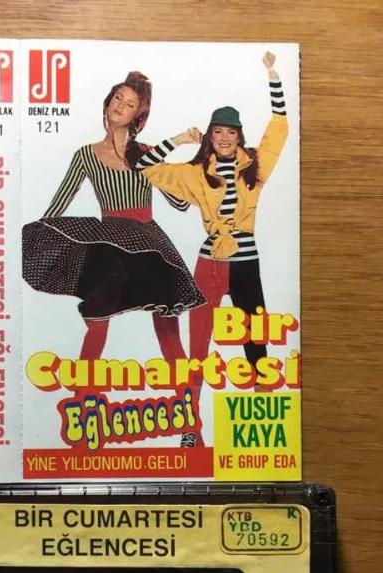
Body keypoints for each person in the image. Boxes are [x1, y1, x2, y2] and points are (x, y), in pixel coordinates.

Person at [135, 52, 288, 444]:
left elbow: (279, 127)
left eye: (230, 132)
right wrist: (178, 140)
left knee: (256, 338)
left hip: (246, 263)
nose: (224, 138)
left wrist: (273, 75)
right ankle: (190, 427)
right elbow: (143, 167)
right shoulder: (194, 173)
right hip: (210, 265)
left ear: (239, 137)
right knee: (199, 344)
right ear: (209, 136)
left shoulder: (255, 166)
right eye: (217, 132)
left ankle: (263, 422)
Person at [22, 71, 205, 369]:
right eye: (118, 98)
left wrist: (181, 174)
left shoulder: (148, 153)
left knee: (167, 323)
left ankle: (186, 394)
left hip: (149, 243)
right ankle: (83, 394)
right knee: (97, 320)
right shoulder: (85, 155)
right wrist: (34, 237)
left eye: (130, 104)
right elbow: (59, 203)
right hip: (108, 245)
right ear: (107, 103)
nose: (121, 105)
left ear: (137, 116)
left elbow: (180, 203)